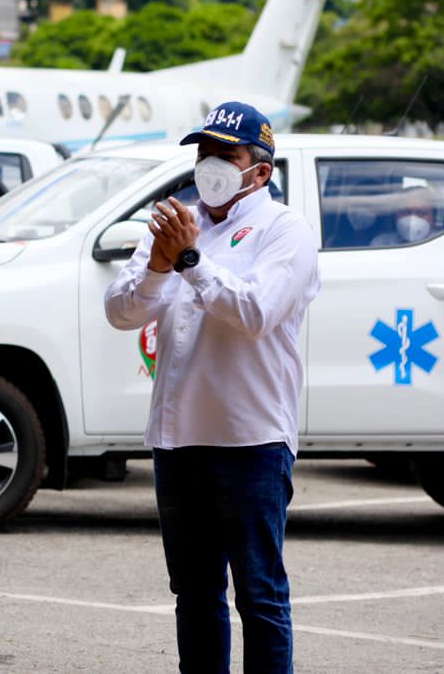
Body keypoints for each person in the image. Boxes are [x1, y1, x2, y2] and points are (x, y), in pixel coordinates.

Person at [104, 101, 320, 673]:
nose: (210, 166)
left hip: (249, 440)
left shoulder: (284, 229)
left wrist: (191, 261)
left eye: (227, 155)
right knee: (195, 594)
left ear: (261, 171)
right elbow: (120, 311)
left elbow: (256, 312)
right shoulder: (179, 224)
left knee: (259, 595)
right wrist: (159, 264)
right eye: (203, 153)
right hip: (178, 441)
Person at [370, 186, 438, 247]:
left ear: (433, 218)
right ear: (396, 215)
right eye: (405, 212)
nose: (412, 220)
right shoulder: (381, 243)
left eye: (421, 213)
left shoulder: (441, 244)